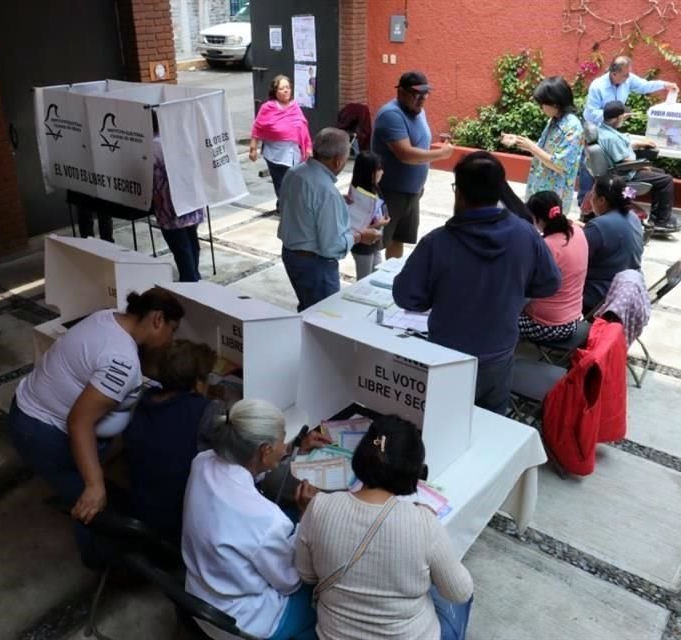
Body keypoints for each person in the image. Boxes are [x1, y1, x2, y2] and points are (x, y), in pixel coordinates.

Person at [8, 288, 183, 567]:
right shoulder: (122, 360)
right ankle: (104, 564)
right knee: (94, 507)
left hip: (26, 408)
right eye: (172, 331)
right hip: (43, 433)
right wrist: (94, 485)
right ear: (158, 319)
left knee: (93, 485)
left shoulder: (107, 318)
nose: (171, 340)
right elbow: (79, 422)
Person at [393, 151, 561, 414]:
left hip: (447, 358)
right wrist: (512, 289)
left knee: (444, 426)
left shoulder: (437, 243)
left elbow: (406, 297)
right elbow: (549, 283)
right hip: (499, 354)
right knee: (489, 431)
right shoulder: (525, 234)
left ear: (458, 192)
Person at [296, 415, 474, 640]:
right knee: (448, 592)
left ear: (361, 455)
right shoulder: (424, 523)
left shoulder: (319, 507)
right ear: (414, 469)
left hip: (332, 634)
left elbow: (307, 575)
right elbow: (460, 592)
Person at [182, 399, 319, 640]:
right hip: (242, 622)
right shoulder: (266, 519)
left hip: (198, 595)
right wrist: (306, 518)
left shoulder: (202, 461)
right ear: (265, 450)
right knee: (325, 593)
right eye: (282, 441)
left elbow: (247, 471)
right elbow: (289, 582)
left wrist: (296, 449)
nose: (284, 446)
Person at [124, 340, 219, 543]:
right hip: (178, 524)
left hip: (140, 507)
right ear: (198, 382)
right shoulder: (204, 411)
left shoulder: (146, 399)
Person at [277, 128, 380, 311]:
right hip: (315, 265)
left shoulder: (295, 172)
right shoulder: (326, 192)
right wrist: (360, 237)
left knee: (308, 309)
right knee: (324, 317)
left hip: (292, 255)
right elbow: (332, 246)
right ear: (338, 161)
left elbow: (299, 204)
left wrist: (337, 201)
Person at [372, 71, 454, 260]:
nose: (422, 99)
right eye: (416, 94)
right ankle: (370, 281)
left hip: (412, 191)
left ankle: (391, 278)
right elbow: (405, 154)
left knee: (398, 239)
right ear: (401, 92)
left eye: (425, 94)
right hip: (390, 191)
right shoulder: (391, 115)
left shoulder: (418, 111)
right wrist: (441, 154)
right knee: (376, 242)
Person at [579, 56, 680, 203]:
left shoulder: (627, 79)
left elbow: (644, 86)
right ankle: (585, 201)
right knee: (592, 167)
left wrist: (665, 85)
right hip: (597, 128)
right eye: (625, 75)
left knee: (609, 165)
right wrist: (613, 116)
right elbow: (591, 113)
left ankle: (624, 200)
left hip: (611, 127)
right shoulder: (598, 86)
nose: (628, 78)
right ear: (614, 74)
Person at [501, 76, 584, 215]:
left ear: (555, 104)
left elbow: (560, 165)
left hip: (554, 196)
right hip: (540, 189)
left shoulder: (572, 127)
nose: (541, 108)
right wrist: (517, 141)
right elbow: (540, 149)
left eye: (542, 104)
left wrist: (531, 147)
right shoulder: (554, 121)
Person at [596, 101, 681, 231]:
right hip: (624, 175)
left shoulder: (603, 131)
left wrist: (639, 144)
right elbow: (624, 161)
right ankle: (661, 221)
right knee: (666, 180)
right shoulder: (612, 139)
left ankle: (657, 215)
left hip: (616, 171)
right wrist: (640, 165)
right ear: (619, 117)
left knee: (659, 173)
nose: (625, 118)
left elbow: (621, 147)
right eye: (624, 116)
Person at [519, 191, 589, 343]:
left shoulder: (547, 247)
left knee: (498, 316)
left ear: (536, 218)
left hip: (549, 326)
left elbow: (524, 284)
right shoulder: (577, 231)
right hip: (574, 319)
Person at [152, 112, 206, 282]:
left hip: (169, 203)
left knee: (180, 245)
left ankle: (189, 279)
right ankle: (194, 275)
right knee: (191, 240)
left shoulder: (152, 146)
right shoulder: (179, 138)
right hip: (191, 197)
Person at [582, 174, 645, 312]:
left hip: (600, 296)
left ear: (602, 200)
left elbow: (576, 259)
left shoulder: (598, 226)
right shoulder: (633, 217)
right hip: (628, 291)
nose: (590, 198)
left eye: (592, 194)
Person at [250, 74, 313, 204]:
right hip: (275, 154)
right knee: (282, 183)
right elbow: (257, 127)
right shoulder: (268, 107)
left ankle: (288, 205)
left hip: (295, 153)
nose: (286, 91)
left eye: (288, 88)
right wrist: (253, 149)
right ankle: (284, 206)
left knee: (296, 182)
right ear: (275, 91)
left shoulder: (294, 106)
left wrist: (308, 147)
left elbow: (303, 127)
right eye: (282, 88)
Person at [348, 151, 391, 279]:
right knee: (364, 279)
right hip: (363, 244)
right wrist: (379, 223)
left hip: (375, 241)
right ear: (368, 172)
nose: (382, 172)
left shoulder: (374, 187)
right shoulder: (359, 195)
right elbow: (358, 224)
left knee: (377, 274)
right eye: (378, 169)